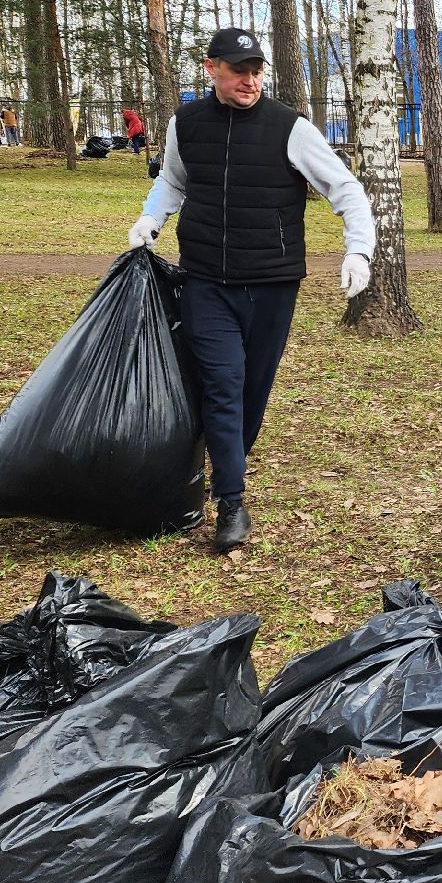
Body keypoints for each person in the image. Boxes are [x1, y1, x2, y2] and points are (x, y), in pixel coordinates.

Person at [127, 27, 375, 553]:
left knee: (251, 392)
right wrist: (152, 216)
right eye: (239, 70)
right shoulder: (186, 124)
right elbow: (174, 179)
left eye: (257, 70)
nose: (251, 80)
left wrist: (359, 250)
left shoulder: (289, 126)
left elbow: (345, 187)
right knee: (222, 381)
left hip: (271, 283)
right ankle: (231, 504)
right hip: (205, 279)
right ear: (211, 67)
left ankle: (222, 471)